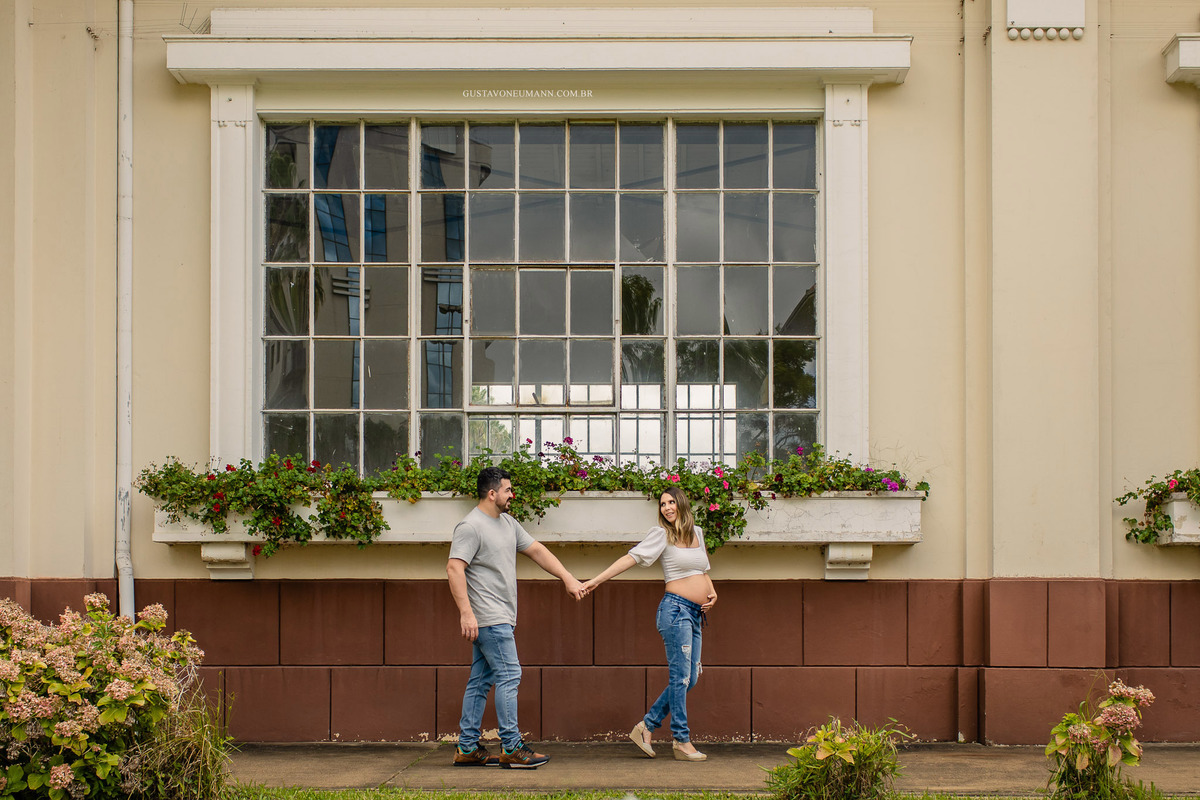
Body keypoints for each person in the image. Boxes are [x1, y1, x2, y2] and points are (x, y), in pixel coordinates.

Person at [447, 465, 585, 769]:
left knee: (480, 682)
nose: (512, 495)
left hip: (500, 617)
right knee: (510, 675)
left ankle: (467, 747)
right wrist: (466, 614)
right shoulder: (471, 526)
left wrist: (567, 578)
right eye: (508, 490)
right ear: (492, 493)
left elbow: (537, 550)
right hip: (489, 617)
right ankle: (511, 747)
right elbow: (454, 568)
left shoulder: (507, 523)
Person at [580, 486, 716, 762]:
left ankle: (646, 726)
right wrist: (596, 580)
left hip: (695, 613)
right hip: (675, 611)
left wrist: (712, 592)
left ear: (682, 504)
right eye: (662, 504)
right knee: (681, 677)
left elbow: (702, 569)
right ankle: (681, 739)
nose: (666, 508)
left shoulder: (697, 533)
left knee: (690, 677)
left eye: (671, 502)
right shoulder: (661, 535)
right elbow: (630, 558)